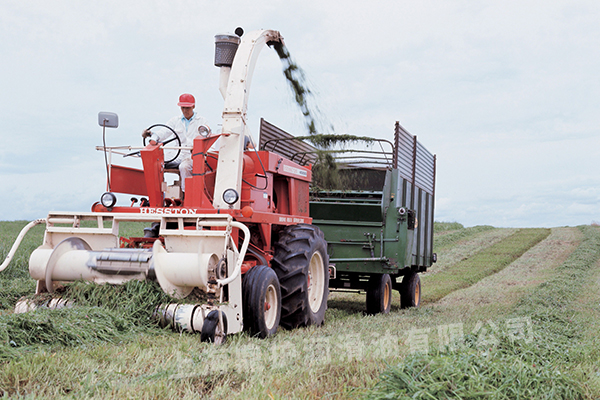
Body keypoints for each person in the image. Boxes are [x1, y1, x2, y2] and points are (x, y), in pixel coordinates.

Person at [142, 93, 210, 193]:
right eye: (183, 108)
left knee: (184, 167)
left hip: (193, 154)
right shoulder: (175, 121)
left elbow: (207, 137)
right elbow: (163, 132)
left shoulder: (202, 121)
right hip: (178, 153)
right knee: (156, 163)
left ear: (193, 106)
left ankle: (186, 194)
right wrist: (151, 135)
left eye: (187, 108)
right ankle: (158, 193)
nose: (185, 110)